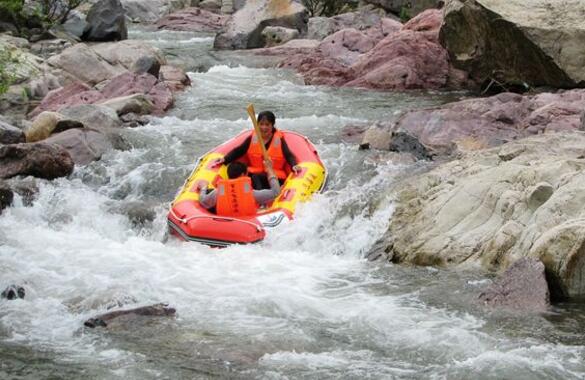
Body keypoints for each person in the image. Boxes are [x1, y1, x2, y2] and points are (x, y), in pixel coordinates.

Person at [212, 110, 301, 190]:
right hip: (254, 175)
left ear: (272, 125)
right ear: (257, 124)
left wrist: (294, 165)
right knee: (243, 175)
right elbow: (239, 150)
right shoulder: (252, 138)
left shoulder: (279, 140)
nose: (264, 127)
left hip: (275, 178)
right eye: (261, 124)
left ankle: (260, 201)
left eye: (267, 124)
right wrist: (225, 159)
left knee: (255, 178)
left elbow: (288, 155)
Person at [199, 161, 281, 217]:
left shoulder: (218, 192)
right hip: (248, 224)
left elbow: (203, 201)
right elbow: (276, 192)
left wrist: (203, 188)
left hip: (224, 224)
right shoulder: (252, 194)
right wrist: (269, 170)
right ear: (243, 174)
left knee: (209, 192)